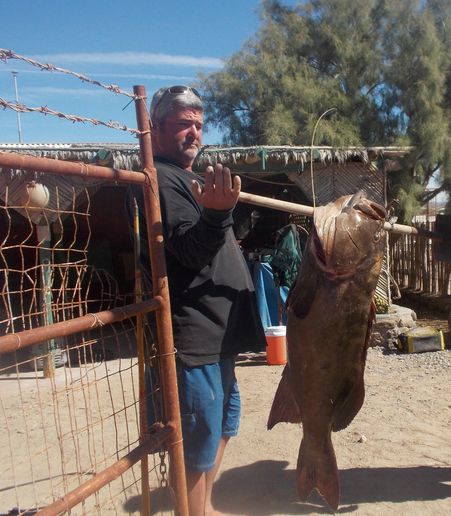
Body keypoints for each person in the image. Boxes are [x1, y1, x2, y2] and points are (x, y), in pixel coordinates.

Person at [131, 85, 266, 515]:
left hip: (220, 333)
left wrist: (221, 211)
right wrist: (217, 213)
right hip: (196, 334)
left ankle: (203, 507)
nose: (194, 133)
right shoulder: (162, 180)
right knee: (196, 441)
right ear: (156, 128)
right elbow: (187, 251)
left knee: (222, 425)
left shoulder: (192, 178)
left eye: (199, 125)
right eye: (183, 124)